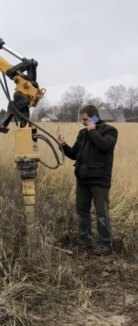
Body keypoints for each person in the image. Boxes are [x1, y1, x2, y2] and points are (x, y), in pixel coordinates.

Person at [58, 104, 118, 255]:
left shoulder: (109, 131)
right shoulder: (82, 133)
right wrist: (64, 146)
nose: (82, 122)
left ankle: (105, 245)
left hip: (100, 181)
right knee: (82, 211)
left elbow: (105, 146)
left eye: (85, 119)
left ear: (93, 117)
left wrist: (92, 131)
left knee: (102, 213)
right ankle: (85, 241)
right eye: (82, 120)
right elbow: (74, 154)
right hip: (82, 180)